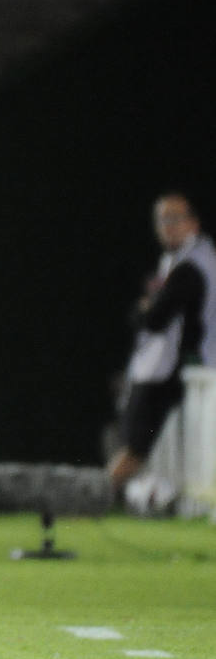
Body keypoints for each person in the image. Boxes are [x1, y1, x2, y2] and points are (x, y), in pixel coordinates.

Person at [108, 192, 216, 491]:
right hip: (185, 368)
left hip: (181, 368)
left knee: (135, 445)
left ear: (193, 223)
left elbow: (154, 319)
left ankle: (90, 502)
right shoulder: (186, 260)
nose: (167, 226)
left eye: (175, 219)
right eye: (162, 220)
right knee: (140, 444)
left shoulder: (190, 267)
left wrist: (146, 307)